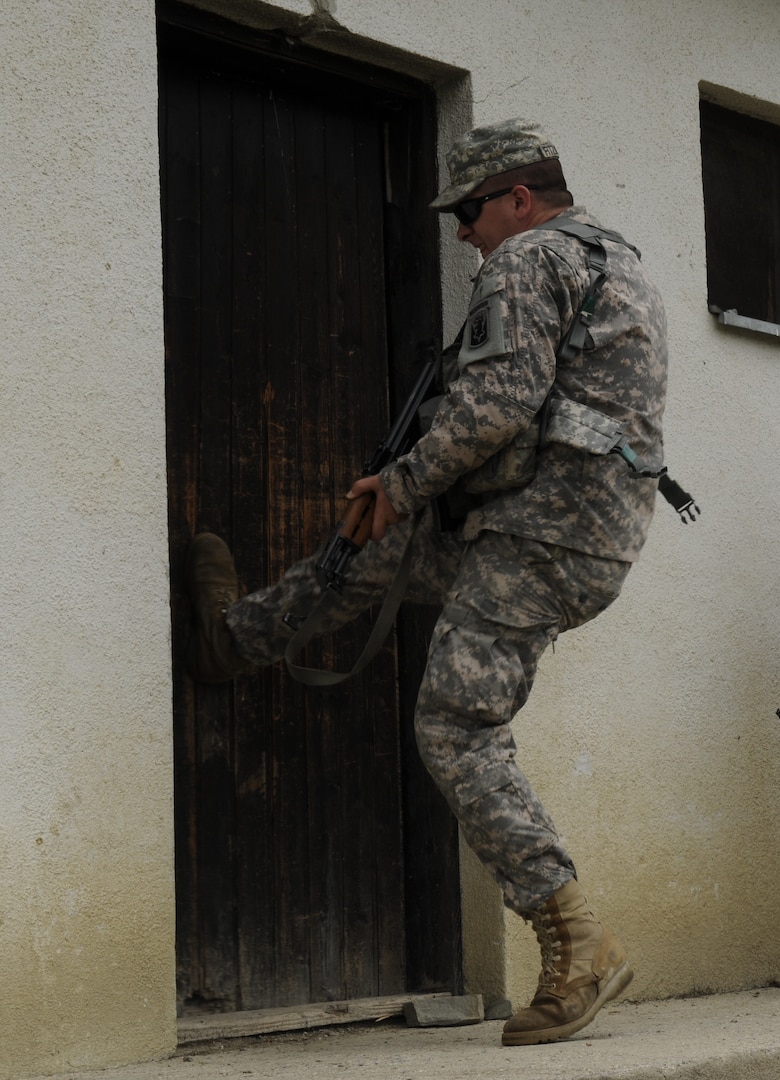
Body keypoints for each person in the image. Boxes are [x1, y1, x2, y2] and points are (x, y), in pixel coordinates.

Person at [182, 118, 666, 1046]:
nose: (462, 233)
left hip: (538, 536)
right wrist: (403, 512)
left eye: (471, 210)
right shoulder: (617, 261)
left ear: (520, 199)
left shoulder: (527, 262)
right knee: (369, 557)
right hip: (574, 531)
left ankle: (577, 940)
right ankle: (230, 641)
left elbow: (498, 401)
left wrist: (399, 484)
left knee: (454, 723)